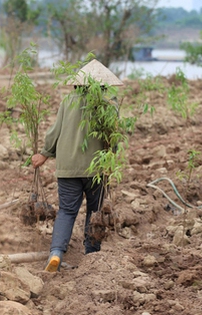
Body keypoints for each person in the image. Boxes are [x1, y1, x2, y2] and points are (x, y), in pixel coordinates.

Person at [31, 59, 124, 272]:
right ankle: (91, 254)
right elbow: (114, 136)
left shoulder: (68, 100)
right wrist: (111, 159)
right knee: (95, 210)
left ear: (78, 83)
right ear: (104, 84)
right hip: (97, 167)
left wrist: (45, 154)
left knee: (66, 211)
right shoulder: (109, 102)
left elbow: (55, 131)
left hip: (67, 167)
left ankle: (55, 253)